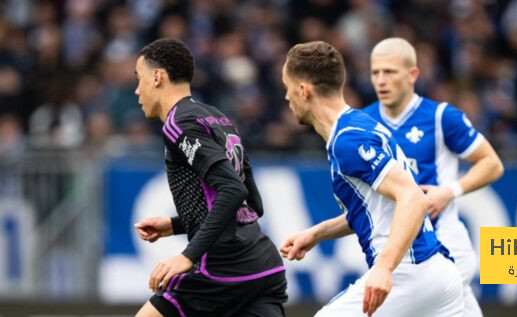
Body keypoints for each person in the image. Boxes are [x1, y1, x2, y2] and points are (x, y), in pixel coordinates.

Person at [279, 41, 463, 317]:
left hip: (410, 273)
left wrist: (384, 269)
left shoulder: (347, 141)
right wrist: (316, 234)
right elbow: (377, 208)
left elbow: (413, 198)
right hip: (437, 274)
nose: (286, 97)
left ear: (304, 90)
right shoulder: (359, 124)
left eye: (288, 87)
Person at [132, 38, 287, 317]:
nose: (136, 90)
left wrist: (187, 256)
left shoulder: (179, 124)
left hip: (220, 272)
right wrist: (175, 224)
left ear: (157, 77)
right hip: (264, 269)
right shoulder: (218, 118)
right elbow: (253, 204)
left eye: (139, 79)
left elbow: (232, 190)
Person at [363, 37, 504, 317]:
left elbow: (492, 164)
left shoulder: (441, 117)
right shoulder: (363, 123)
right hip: (396, 249)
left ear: (412, 74)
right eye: (375, 72)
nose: (381, 80)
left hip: (445, 244)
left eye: (390, 72)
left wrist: (448, 191)